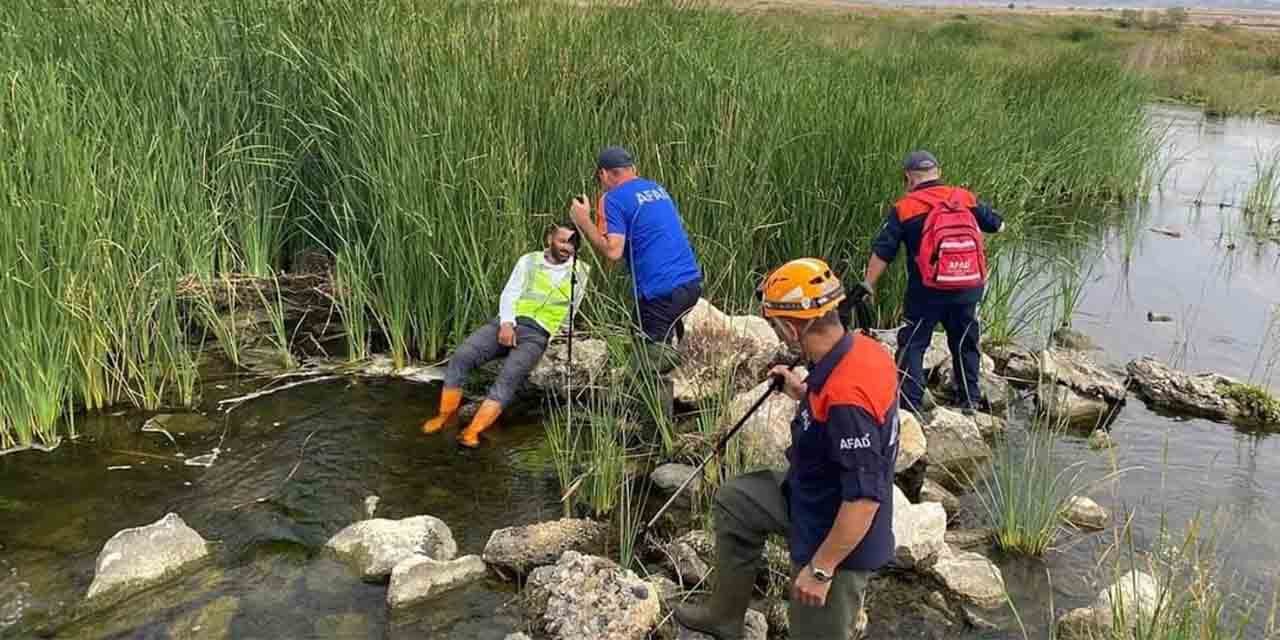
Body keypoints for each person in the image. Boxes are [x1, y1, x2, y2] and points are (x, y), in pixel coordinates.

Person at [674, 258, 900, 640]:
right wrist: (802, 391)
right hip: (808, 495)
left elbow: (864, 498)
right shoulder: (862, 349)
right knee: (736, 500)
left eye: (778, 323)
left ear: (795, 328)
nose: (778, 332)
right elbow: (836, 412)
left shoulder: (847, 397)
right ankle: (725, 617)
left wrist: (821, 569)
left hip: (838, 534)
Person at [860, 150, 1004, 416]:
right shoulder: (964, 198)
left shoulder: (905, 208)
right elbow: (997, 225)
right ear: (938, 173)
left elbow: (883, 251)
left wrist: (868, 284)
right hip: (967, 288)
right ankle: (970, 401)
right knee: (965, 342)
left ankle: (910, 407)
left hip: (926, 291)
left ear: (909, 178)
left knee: (913, 344)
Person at [420, 222, 589, 448]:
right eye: (562, 241)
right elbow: (510, 293)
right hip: (508, 321)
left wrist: (561, 334)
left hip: (538, 333)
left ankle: (472, 430)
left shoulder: (581, 270)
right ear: (550, 238)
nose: (567, 248)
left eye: (572, 243)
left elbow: (571, 308)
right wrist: (507, 324)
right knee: (462, 356)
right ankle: (445, 416)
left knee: (509, 377)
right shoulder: (528, 260)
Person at [568, 146, 702, 370]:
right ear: (632, 168)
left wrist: (584, 222)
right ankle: (675, 369)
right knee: (639, 331)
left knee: (649, 361)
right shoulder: (656, 189)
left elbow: (613, 251)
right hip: (690, 283)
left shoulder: (613, 198)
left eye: (599, 179)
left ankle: (657, 396)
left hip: (660, 292)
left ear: (604, 174)